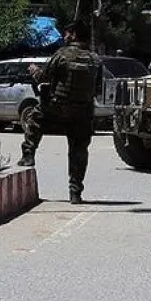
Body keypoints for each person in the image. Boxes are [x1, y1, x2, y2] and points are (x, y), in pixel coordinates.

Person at [18, 20, 102, 204]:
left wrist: (33, 69)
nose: (64, 37)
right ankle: (75, 193)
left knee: (34, 119)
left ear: (73, 35)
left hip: (58, 107)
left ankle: (28, 154)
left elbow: (43, 76)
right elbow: (98, 89)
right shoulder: (95, 59)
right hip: (83, 112)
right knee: (79, 151)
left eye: (67, 34)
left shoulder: (62, 54)